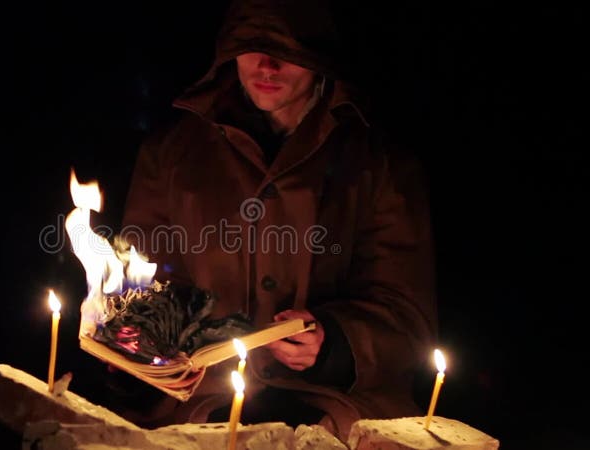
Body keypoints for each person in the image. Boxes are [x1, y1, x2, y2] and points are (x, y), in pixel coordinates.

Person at [110, 0, 437, 440]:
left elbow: (406, 312)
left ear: (318, 57)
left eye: (288, 51)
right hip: (200, 406)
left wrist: (333, 342)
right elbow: (141, 287)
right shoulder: (172, 155)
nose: (267, 66)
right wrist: (136, 350)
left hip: (335, 406)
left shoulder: (376, 164)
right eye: (250, 48)